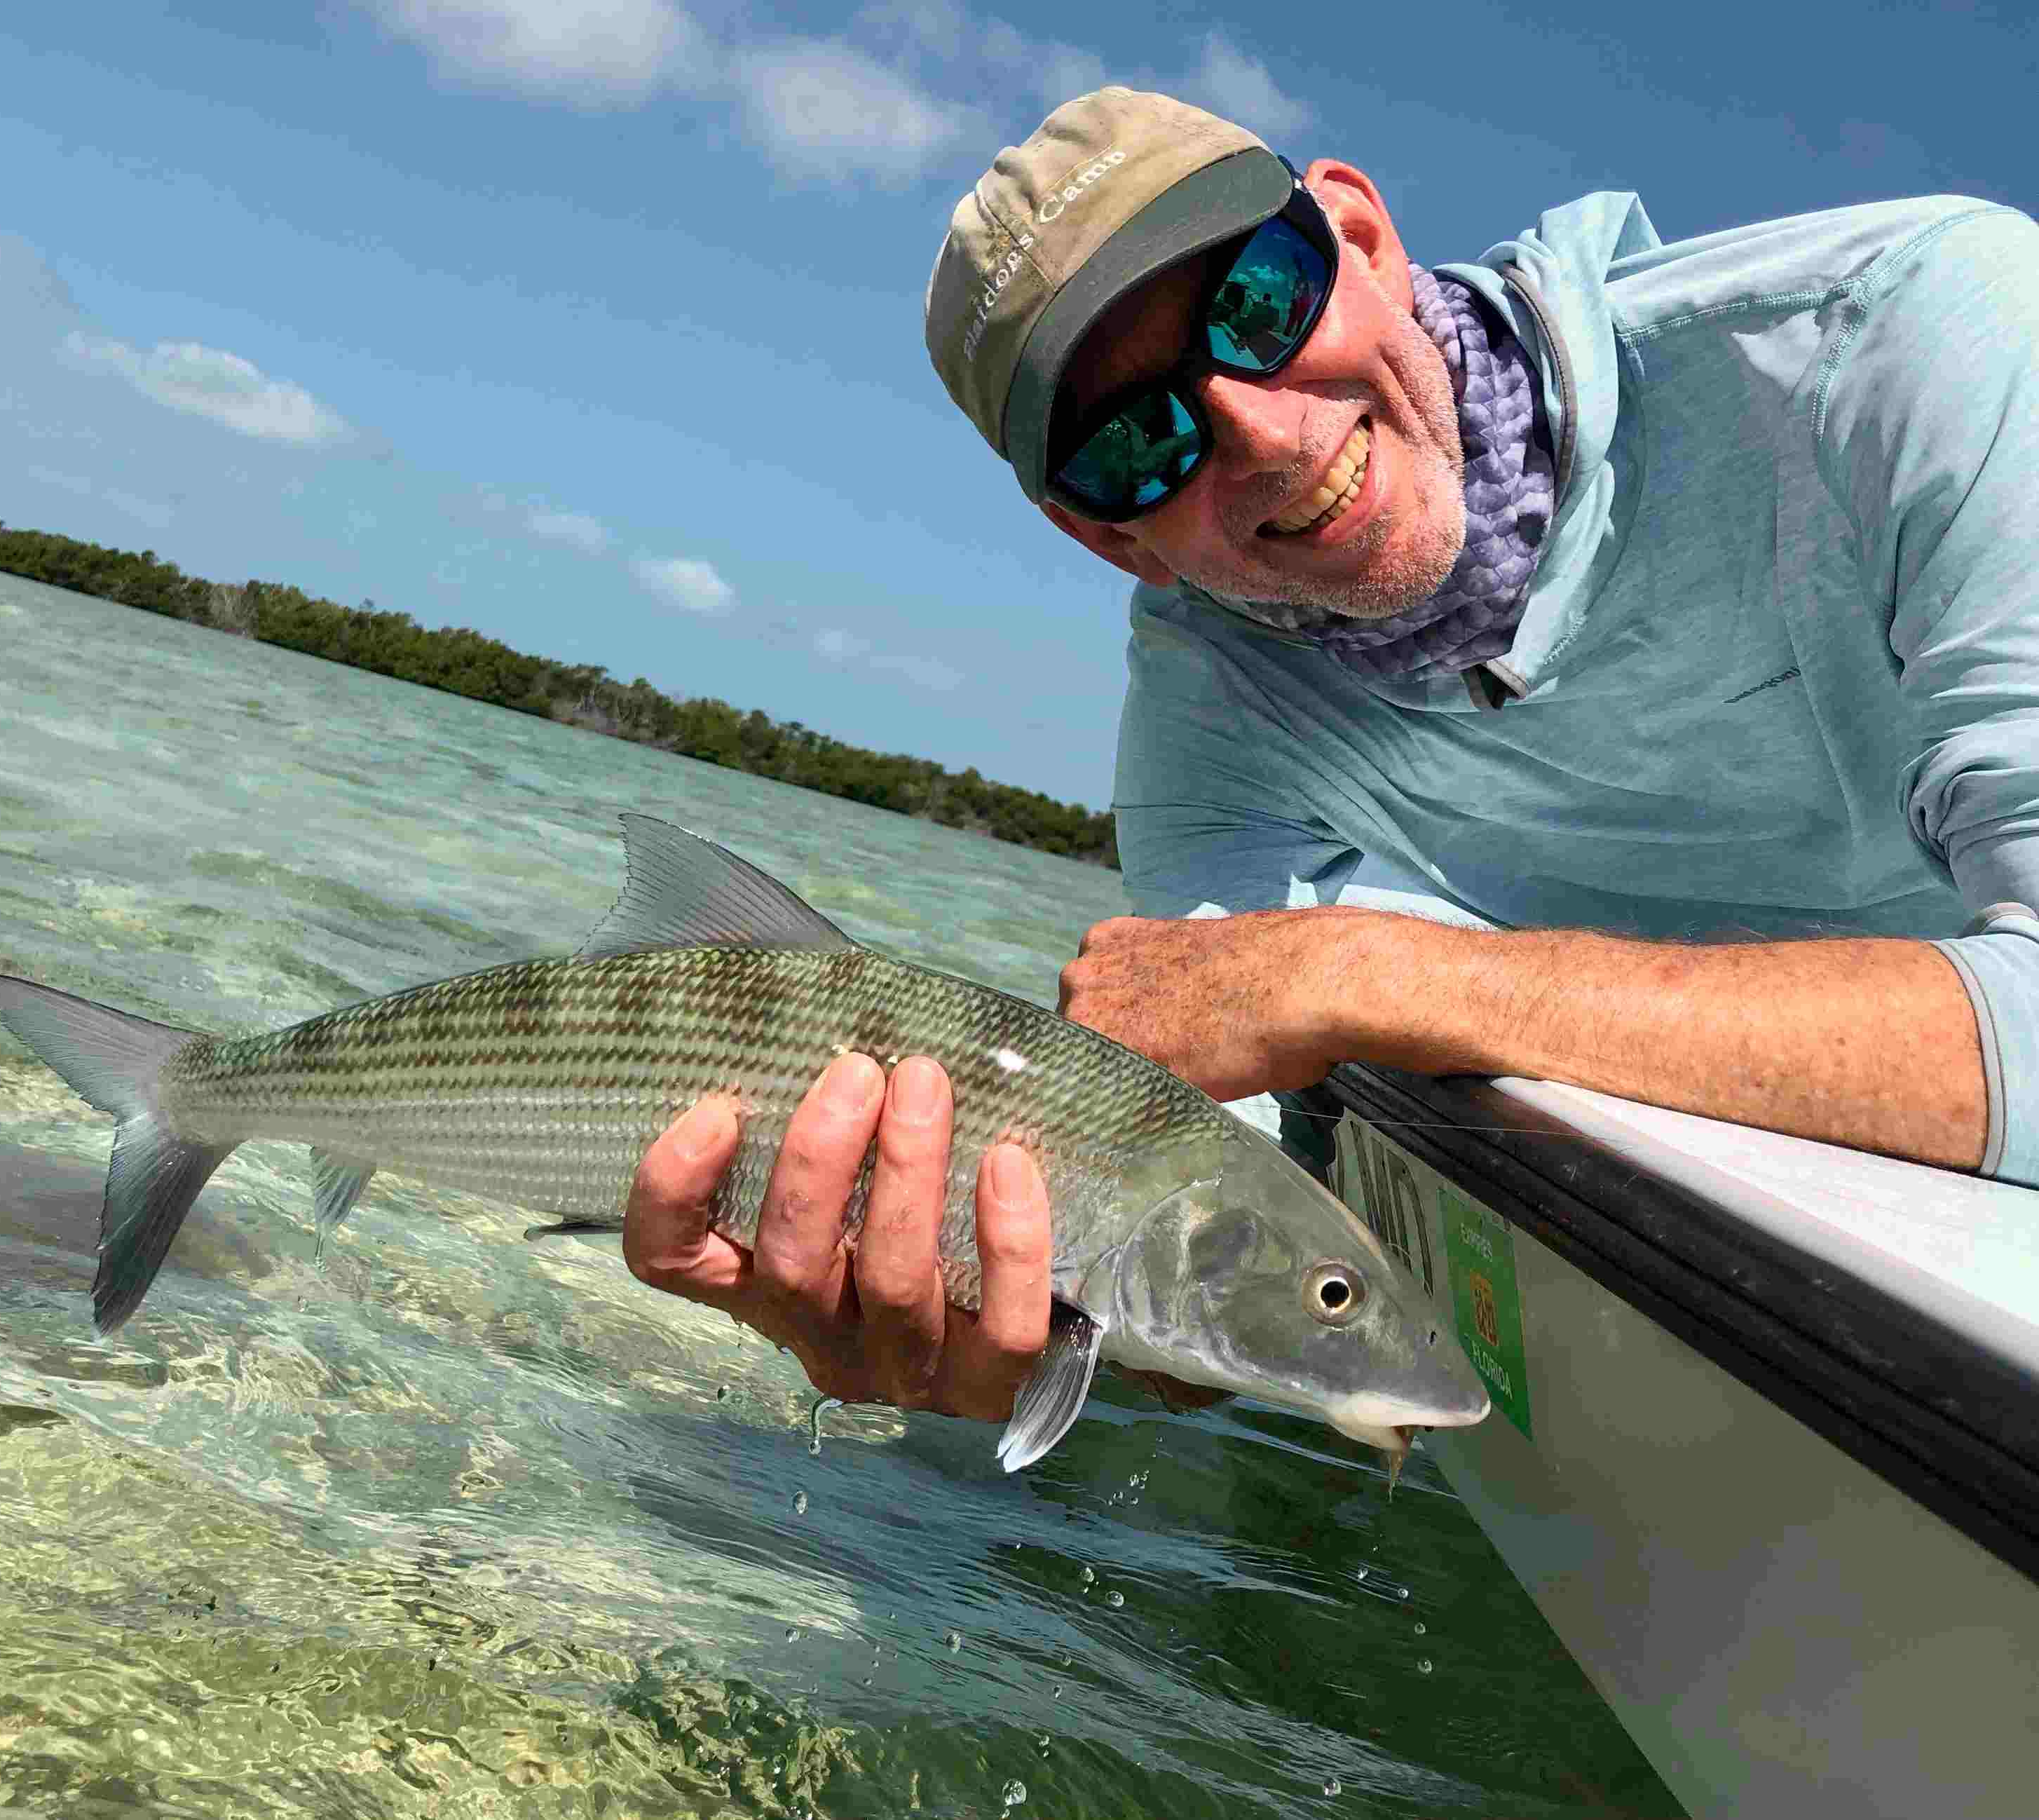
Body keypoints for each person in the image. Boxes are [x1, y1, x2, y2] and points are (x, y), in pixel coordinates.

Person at [623, 86, 2039, 1427]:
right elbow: (1206, 1249)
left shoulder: (1926, 337)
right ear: (1104, 536)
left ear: (1360, 232)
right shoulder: (1204, 715)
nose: (1257, 430)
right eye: (1138, 444)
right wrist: (1020, 1325)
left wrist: (1362, 973)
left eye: (1257, 303)